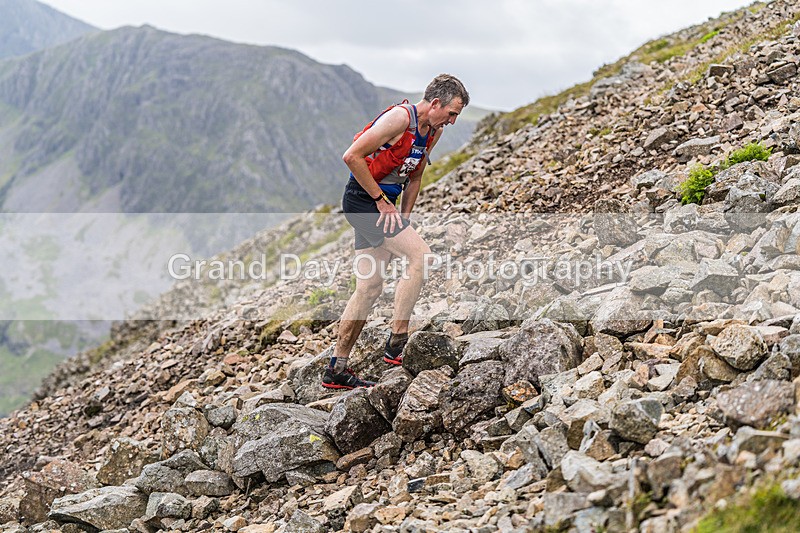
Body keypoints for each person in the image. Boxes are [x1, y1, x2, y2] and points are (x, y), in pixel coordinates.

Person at [321, 74, 470, 390]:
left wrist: (404, 216)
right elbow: (352, 156)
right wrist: (380, 201)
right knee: (421, 256)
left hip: (385, 204)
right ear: (434, 103)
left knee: (370, 287)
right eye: (452, 113)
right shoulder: (399, 119)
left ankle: (337, 369)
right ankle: (397, 343)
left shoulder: (435, 130)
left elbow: (414, 177)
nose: (453, 121)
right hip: (363, 200)